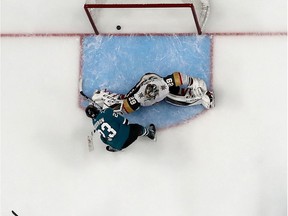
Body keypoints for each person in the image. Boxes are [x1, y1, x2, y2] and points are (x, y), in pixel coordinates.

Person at [92, 72, 215, 114]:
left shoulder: (162, 86)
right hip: (145, 83)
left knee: (172, 97)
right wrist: (110, 109)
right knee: (127, 100)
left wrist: (192, 81)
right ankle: (105, 96)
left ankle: (197, 97)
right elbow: (125, 108)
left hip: (153, 79)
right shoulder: (139, 98)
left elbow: (177, 77)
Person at [85, 105, 156, 152]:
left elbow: (103, 139)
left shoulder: (94, 124)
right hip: (126, 138)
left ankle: (114, 147)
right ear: (96, 109)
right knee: (137, 128)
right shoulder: (107, 111)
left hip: (116, 146)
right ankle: (150, 133)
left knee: (108, 138)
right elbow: (125, 121)